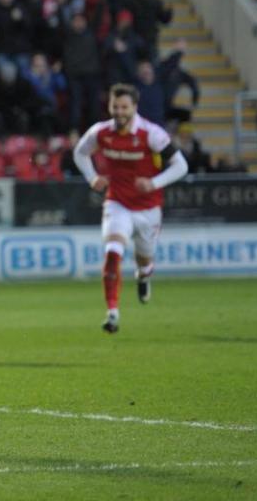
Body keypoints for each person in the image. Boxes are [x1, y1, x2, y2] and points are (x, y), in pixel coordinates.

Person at [73, 84, 188, 334]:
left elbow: (181, 166)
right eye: (115, 106)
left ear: (135, 107)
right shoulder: (101, 132)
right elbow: (80, 153)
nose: (120, 112)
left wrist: (153, 183)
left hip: (148, 208)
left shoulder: (151, 134)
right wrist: (92, 177)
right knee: (113, 251)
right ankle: (112, 312)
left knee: (144, 259)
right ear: (110, 107)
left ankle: (144, 276)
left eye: (125, 107)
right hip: (117, 204)